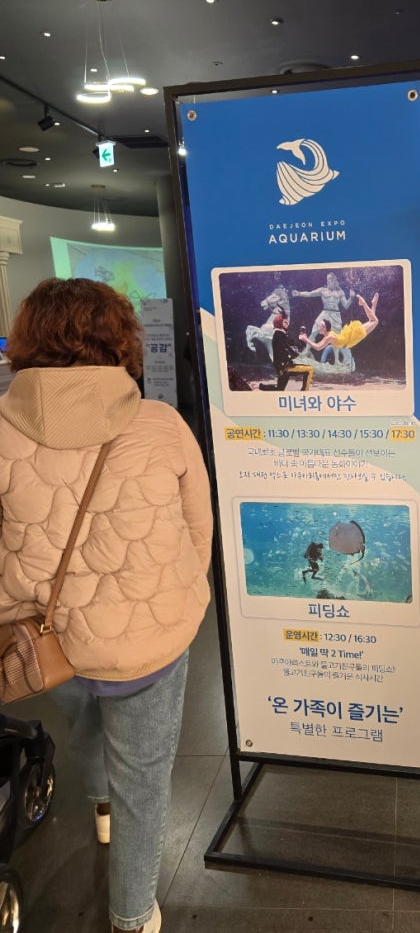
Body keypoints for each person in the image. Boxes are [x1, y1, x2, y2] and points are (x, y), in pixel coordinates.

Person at [0, 278, 213, 933]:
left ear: (27, 340)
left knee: (83, 719)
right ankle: (132, 916)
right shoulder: (162, 424)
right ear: (119, 339)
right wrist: (177, 597)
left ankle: (99, 808)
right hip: (148, 639)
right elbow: (197, 529)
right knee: (143, 777)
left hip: (42, 642)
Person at [299, 293, 379, 352]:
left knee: (375, 321)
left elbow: (318, 347)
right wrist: (306, 339)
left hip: (352, 337)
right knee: (372, 321)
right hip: (349, 336)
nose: (319, 327)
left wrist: (306, 339)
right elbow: (319, 345)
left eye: (321, 325)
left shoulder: (329, 337)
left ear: (324, 328)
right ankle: (373, 304)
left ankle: (363, 303)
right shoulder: (328, 335)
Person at [258, 313, 313, 391]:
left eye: (287, 322)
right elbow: (292, 350)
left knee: (279, 389)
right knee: (309, 370)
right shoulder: (280, 335)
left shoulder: (280, 335)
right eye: (285, 322)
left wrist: (301, 341)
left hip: (283, 367)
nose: (288, 324)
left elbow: (294, 347)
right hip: (285, 368)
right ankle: (304, 392)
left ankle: (262, 387)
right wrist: (302, 342)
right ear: (280, 322)